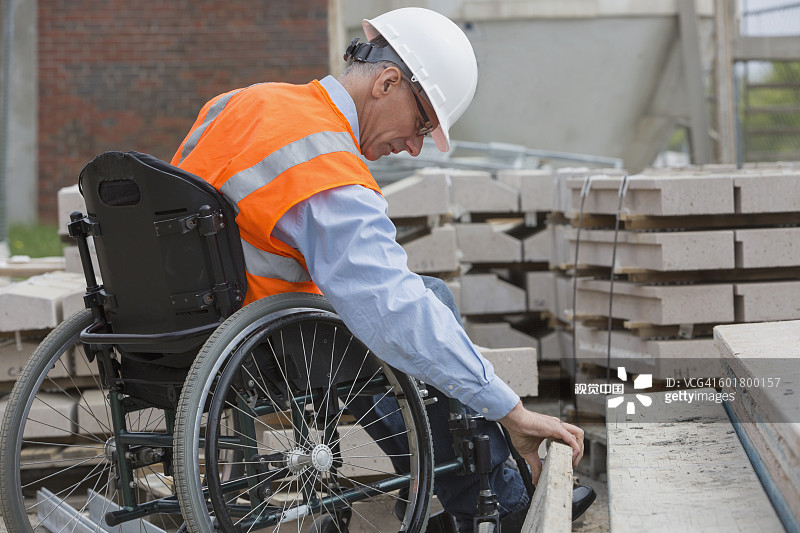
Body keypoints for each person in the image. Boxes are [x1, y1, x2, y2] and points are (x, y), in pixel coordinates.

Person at [172, 7, 594, 531]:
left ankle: (443, 486)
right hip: (261, 348)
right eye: (421, 124)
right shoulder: (325, 164)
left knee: (385, 315)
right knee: (422, 305)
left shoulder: (240, 102)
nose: (414, 147)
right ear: (388, 82)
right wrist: (511, 410)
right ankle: (495, 503)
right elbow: (393, 307)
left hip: (180, 326)